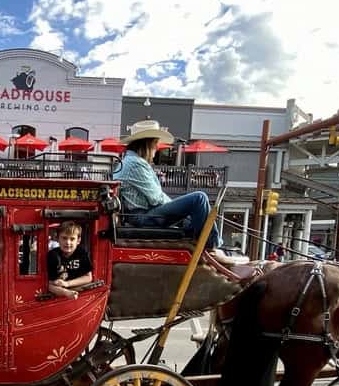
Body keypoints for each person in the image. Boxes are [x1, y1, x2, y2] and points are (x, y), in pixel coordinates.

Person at [114, 120, 228, 262]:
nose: (157, 147)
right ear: (147, 144)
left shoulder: (130, 161)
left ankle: (207, 244)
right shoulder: (136, 164)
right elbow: (156, 198)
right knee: (199, 199)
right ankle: (212, 247)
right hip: (143, 217)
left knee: (193, 216)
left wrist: (178, 208)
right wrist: (178, 207)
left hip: (140, 215)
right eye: (156, 143)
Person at [46, 221, 92, 300]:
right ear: (57, 238)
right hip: (59, 291)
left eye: (72, 239)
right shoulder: (52, 255)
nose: (68, 242)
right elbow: (49, 282)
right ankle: (67, 293)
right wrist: (60, 285)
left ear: (78, 240)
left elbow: (88, 277)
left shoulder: (81, 252)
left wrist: (67, 284)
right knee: (49, 286)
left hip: (79, 290)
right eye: (64, 238)